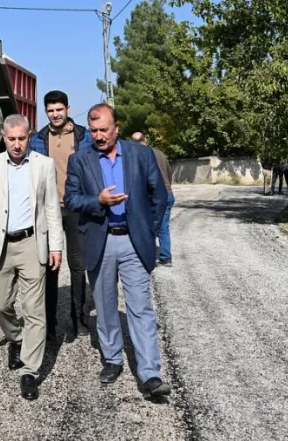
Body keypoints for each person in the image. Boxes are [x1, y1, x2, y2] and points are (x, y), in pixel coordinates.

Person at [64, 104, 172, 398]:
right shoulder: (80, 160)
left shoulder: (140, 155)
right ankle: (112, 359)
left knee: (141, 308)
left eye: (104, 130)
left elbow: (159, 196)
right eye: (94, 130)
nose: (98, 136)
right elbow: (71, 199)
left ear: (117, 128)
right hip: (100, 240)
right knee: (106, 305)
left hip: (133, 241)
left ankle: (150, 374)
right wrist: (97, 201)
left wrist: (147, 229)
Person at [0, 114, 64, 401]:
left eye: (22, 138)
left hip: (33, 243)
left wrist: (55, 246)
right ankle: (16, 339)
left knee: (35, 309)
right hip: (1, 245)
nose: (17, 144)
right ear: (3, 138)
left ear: (29, 136)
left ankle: (30, 371)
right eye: (12, 139)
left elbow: (51, 209)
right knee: (1, 304)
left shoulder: (44, 165)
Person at [29, 90, 93, 340]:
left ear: (68, 108)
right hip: (48, 210)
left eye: (59, 109)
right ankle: (50, 324)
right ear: (46, 112)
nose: (55, 114)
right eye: (50, 110)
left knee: (77, 266)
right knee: (49, 267)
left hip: (76, 209)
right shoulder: (37, 139)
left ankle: (78, 319)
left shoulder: (83, 137)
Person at [130, 131, 174, 267]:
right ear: (145, 140)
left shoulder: (137, 155)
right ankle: (166, 257)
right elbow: (169, 172)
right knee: (163, 227)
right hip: (167, 194)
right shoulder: (160, 153)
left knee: (148, 227)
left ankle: (148, 257)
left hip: (152, 196)